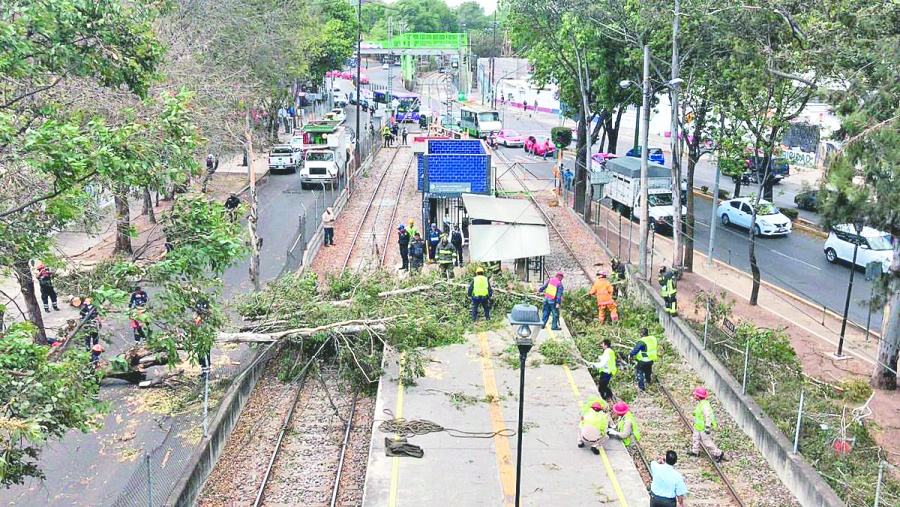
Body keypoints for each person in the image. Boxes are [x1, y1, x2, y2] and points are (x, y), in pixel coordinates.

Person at [690, 387, 725, 462]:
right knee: (696, 438)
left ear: (699, 396)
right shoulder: (701, 403)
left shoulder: (705, 406)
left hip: (703, 428)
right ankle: (695, 451)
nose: (694, 396)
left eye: (696, 395)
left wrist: (707, 427)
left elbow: (707, 417)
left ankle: (718, 453)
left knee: (707, 442)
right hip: (698, 426)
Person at [629, 327, 658, 391]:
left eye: (640, 333)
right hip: (650, 360)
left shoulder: (642, 341)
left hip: (643, 360)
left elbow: (636, 350)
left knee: (640, 372)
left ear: (642, 333)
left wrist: (630, 354)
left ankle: (641, 387)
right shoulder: (652, 339)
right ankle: (648, 381)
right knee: (648, 371)